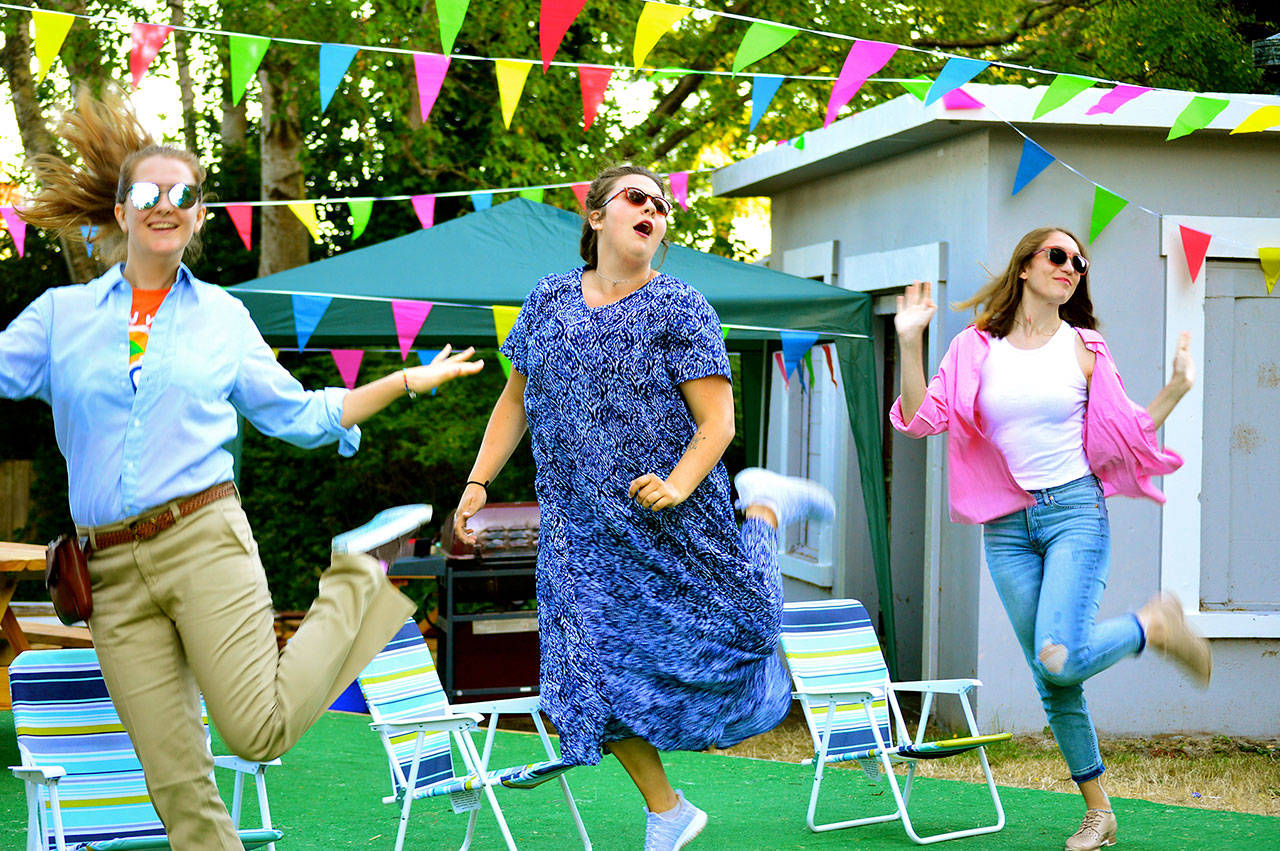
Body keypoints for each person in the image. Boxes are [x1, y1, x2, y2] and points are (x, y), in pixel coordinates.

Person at [0, 89, 483, 849]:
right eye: (147, 192)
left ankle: (358, 575)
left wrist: (399, 381)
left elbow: (299, 414)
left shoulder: (224, 316)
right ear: (122, 211)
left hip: (204, 542)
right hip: (110, 574)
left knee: (257, 732)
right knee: (177, 788)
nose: (165, 204)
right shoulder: (58, 317)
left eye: (183, 194)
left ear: (198, 218)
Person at [452, 164, 834, 850]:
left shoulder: (681, 305)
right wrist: (478, 482)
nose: (652, 210)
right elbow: (515, 399)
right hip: (579, 530)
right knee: (586, 671)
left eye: (661, 205)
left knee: (747, 628)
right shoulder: (546, 300)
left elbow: (718, 421)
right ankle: (668, 809)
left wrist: (680, 483)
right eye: (636, 198)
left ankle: (765, 512)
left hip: (673, 518)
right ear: (594, 215)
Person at [891, 226, 1212, 851]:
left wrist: (1174, 389)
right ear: (1025, 267)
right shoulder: (974, 347)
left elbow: (1124, 434)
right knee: (1053, 677)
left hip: (1074, 515)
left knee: (1059, 658)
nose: (1071, 267)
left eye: (1079, 262)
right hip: (1006, 529)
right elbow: (922, 418)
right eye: (1058, 256)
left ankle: (1155, 626)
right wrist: (910, 344)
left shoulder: (1086, 348)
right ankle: (1100, 812)